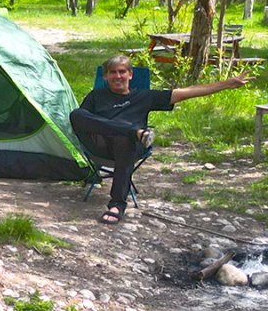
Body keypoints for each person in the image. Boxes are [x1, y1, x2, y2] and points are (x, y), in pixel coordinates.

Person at [71, 53, 252, 225]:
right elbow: (83, 121)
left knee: (124, 140)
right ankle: (135, 132)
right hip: (101, 144)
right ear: (105, 76)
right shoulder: (96, 96)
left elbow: (187, 92)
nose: (118, 76)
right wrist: (130, 130)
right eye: (113, 72)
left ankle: (117, 205)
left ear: (130, 75)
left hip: (129, 147)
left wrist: (227, 83)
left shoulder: (144, 97)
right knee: (76, 114)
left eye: (122, 71)